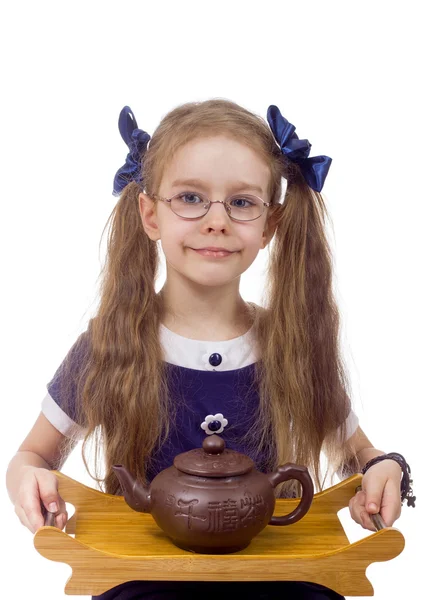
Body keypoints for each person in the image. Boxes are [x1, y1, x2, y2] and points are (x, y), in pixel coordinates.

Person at [6, 99, 414, 600]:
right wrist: (28, 479)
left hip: (275, 577)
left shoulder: (291, 345)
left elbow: (364, 456)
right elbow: (32, 455)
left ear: (270, 225)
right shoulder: (110, 343)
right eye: (191, 197)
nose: (216, 221)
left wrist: (383, 469)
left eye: (242, 202)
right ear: (150, 214)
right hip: (145, 580)